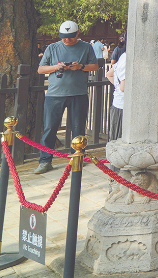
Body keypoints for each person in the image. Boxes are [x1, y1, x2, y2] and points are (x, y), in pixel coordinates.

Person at [35, 21, 100, 174]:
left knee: (78, 128)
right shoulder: (52, 47)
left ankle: (77, 157)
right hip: (55, 94)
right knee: (50, 128)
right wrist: (57, 67)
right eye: (64, 37)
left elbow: (95, 66)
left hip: (79, 93)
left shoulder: (86, 47)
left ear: (77, 34)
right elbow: (40, 69)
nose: (67, 40)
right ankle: (45, 161)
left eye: (70, 37)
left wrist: (80, 67)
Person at [106, 48, 126, 140]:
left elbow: (109, 74)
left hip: (117, 103)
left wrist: (117, 87)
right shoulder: (128, 59)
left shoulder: (123, 56)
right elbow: (124, 88)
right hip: (124, 107)